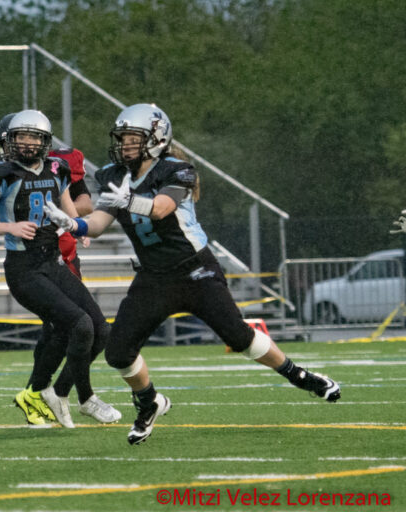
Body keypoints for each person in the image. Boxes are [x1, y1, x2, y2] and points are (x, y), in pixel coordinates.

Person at [43, 103, 341, 445]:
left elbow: (161, 209)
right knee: (118, 352)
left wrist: (131, 202)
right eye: (122, 138)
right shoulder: (113, 174)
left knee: (239, 338)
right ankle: (149, 401)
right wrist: (73, 223)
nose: (124, 145)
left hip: (195, 270)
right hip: (154, 276)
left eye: (132, 138)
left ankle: (300, 376)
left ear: (155, 139)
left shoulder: (178, 170)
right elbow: (97, 224)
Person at [0, 110, 112, 429]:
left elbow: (69, 211)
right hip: (24, 269)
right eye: (21, 137)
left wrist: (77, 230)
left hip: (53, 261)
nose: (27, 144)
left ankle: (54, 393)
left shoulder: (58, 169)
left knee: (101, 329)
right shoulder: (1, 174)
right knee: (80, 325)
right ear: (9, 140)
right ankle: (78, 398)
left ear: (45, 142)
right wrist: (10, 227)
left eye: (33, 137)